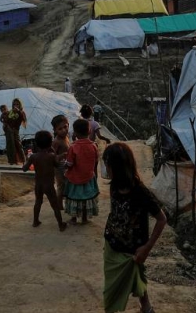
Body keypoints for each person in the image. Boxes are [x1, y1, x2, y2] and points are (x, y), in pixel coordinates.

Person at [101, 143, 167, 313]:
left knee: (123, 282)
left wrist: (147, 247)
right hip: (112, 243)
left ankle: (134, 308)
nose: (105, 169)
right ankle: (147, 308)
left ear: (117, 167)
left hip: (133, 249)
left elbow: (161, 219)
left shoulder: (141, 193)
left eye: (107, 165)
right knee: (127, 277)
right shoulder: (114, 185)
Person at [23, 130, 67, 232]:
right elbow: (56, 164)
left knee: (38, 202)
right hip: (49, 185)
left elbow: (24, 168)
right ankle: (61, 225)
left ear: (36, 143)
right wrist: (59, 156)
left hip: (38, 185)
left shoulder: (33, 156)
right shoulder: (51, 156)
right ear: (50, 143)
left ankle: (35, 221)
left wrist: (28, 161)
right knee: (54, 205)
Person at [65, 119, 100, 225]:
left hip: (75, 178)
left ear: (75, 133)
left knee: (74, 198)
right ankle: (84, 218)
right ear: (89, 131)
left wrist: (64, 164)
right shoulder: (94, 146)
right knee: (86, 198)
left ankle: (74, 218)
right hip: (88, 177)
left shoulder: (73, 147)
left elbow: (70, 163)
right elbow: (96, 160)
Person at [50, 115, 70, 209]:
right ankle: (59, 205)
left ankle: (64, 204)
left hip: (66, 166)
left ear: (68, 125)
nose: (63, 130)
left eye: (65, 127)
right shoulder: (56, 141)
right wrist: (61, 156)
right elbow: (52, 157)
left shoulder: (66, 137)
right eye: (60, 129)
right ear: (55, 130)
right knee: (61, 186)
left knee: (67, 185)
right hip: (59, 167)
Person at [2, 98, 27, 165]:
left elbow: (23, 119)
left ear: (20, 105)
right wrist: (5, 126)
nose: (16, 105)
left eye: (17, 104)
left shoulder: (21, 112)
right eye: (14, 104)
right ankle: (12, 161)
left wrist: (18, 111)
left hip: (16, 130)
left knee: (18, 145)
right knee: (10, 146)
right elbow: (6, 120)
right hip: (8, 130)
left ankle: (22, 161)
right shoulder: (10, 112)